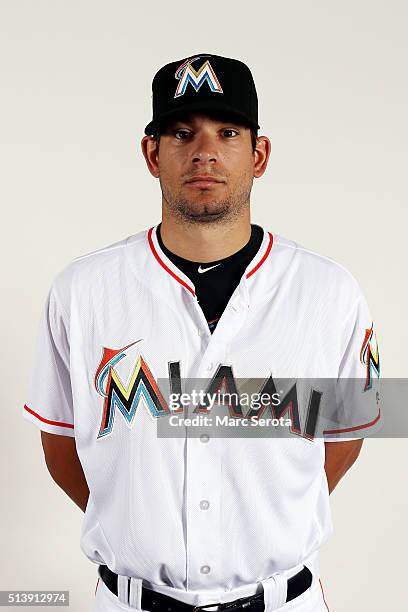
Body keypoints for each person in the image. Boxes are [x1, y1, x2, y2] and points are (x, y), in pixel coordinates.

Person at [23, 53, 382, 612]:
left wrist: (268, 521)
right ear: (151, 153)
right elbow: (60, 444)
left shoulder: (330, 290)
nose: (204, 152)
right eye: (182, 132)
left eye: (228, 131)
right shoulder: (82, 289)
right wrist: (138, 526)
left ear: (259, 155)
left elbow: (348, 436)